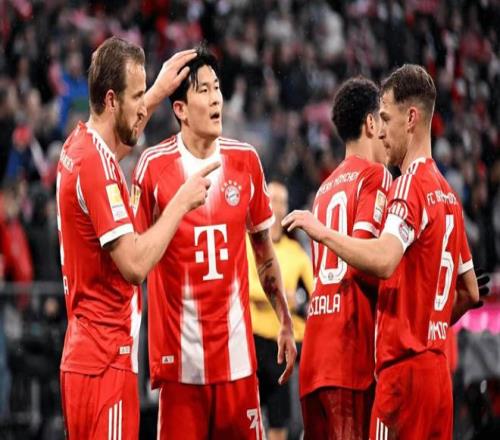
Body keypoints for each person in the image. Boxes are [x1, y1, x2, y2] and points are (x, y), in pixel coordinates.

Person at [283, 64, 480, 439]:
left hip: (366, 363)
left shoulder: (343, 188)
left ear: (410, 118)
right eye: (380, 119)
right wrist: (428, 321)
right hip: (431, 371)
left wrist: (322, 232)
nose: (384, 131)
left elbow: (380, 261)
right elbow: (470, 291)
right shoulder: (450, 197)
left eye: (388, 119)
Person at [132, 45, 296, 440]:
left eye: (217, 88)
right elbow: (133, 257)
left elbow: (264, 254)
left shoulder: (246, 161)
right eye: (203, 90)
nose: (216, 98)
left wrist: (285, 319)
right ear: (180, 109)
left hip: (238, 363)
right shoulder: (153, 167)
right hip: (180, 368)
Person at [56, 36, 218, 440]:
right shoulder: (97, 167)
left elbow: (119, 141)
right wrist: (181, 202)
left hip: (85, 356)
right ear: (112, 100)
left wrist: (159, 90)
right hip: (106, 359)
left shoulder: (80, 146)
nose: (143, 105)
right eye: (137, 96)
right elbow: (134, 265)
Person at [295, 77, 392, 440]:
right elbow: (367, 259)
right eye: (384, 120)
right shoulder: (376, 176)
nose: (387, 132)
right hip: (350, 353)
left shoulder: (325, 189)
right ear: (371, 123)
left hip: (315, 355)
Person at [247, 181, 313, 440]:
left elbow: (315, 294)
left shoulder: (296, 253)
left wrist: (297, 301)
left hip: (282, 347)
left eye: (282, 202)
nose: (276, 207)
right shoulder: (248, 243)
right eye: (272, 200)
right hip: (252, 343)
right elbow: (245, 286)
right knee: (245, 417)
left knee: (280, 418)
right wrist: (282, 297)